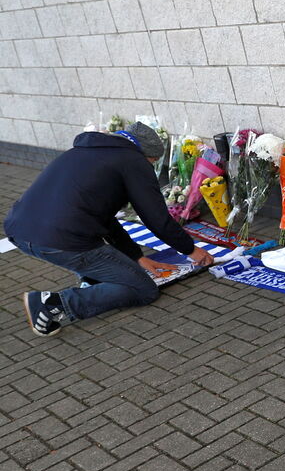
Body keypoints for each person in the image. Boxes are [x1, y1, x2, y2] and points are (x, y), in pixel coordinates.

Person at [4, 122, 215, 336]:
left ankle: (92, 282)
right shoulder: (133, 161)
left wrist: (135, 256)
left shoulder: (81, 152)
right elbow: (157, 218)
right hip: (64, 240)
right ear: (146, 154)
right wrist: (190, 250)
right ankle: (54, 304)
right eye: (152, 161)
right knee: (143, 289)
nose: (151, 166)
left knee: (115, 266)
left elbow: (104, 218)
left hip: (20, 232)